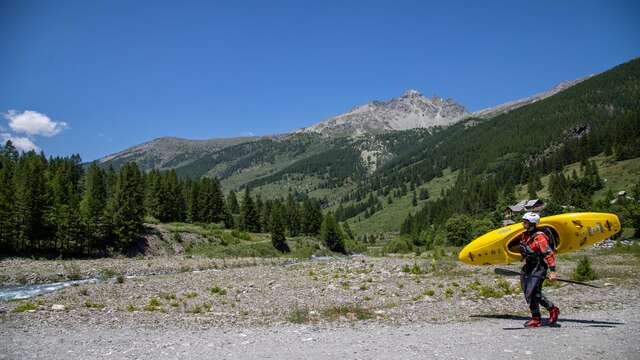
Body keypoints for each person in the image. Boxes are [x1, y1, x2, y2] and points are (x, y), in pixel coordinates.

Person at [519, 212, 560, 328]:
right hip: (528, 266)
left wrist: (552, 271)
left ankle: (552, 309)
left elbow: (548, 253)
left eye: (525, 222)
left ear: (532, 224)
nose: (523, 224)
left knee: (534, 292)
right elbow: (525, 249)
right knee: (528, 293)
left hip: (539, 267)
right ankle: (535, 318)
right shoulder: (524, 235)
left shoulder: (539, 236)